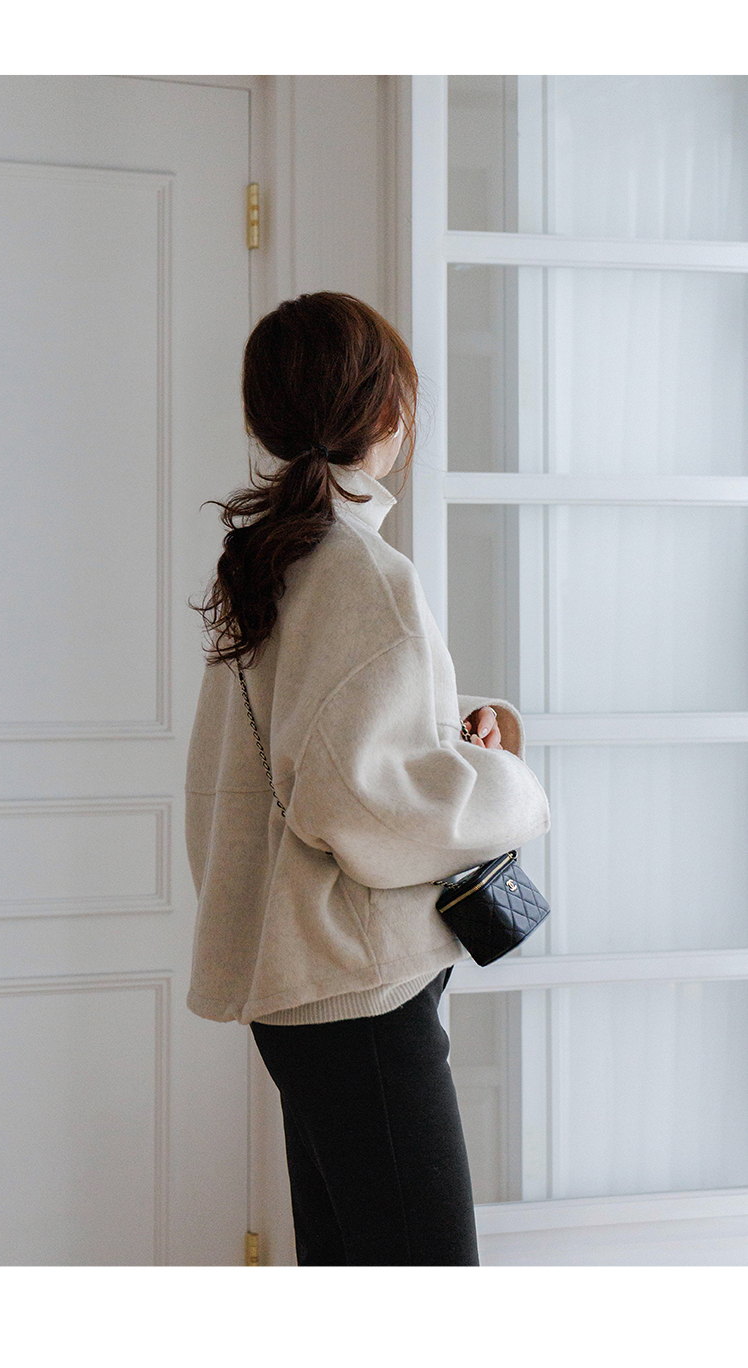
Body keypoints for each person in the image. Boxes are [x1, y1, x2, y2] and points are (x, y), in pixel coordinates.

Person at [186, 291, 550, 1266]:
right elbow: (361, 804)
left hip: (298, 983)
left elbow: (294, 761)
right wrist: (505, 780)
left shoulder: (271, 560)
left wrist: (446, 731)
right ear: (385, 411)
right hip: (360, 991)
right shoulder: (362, 571)